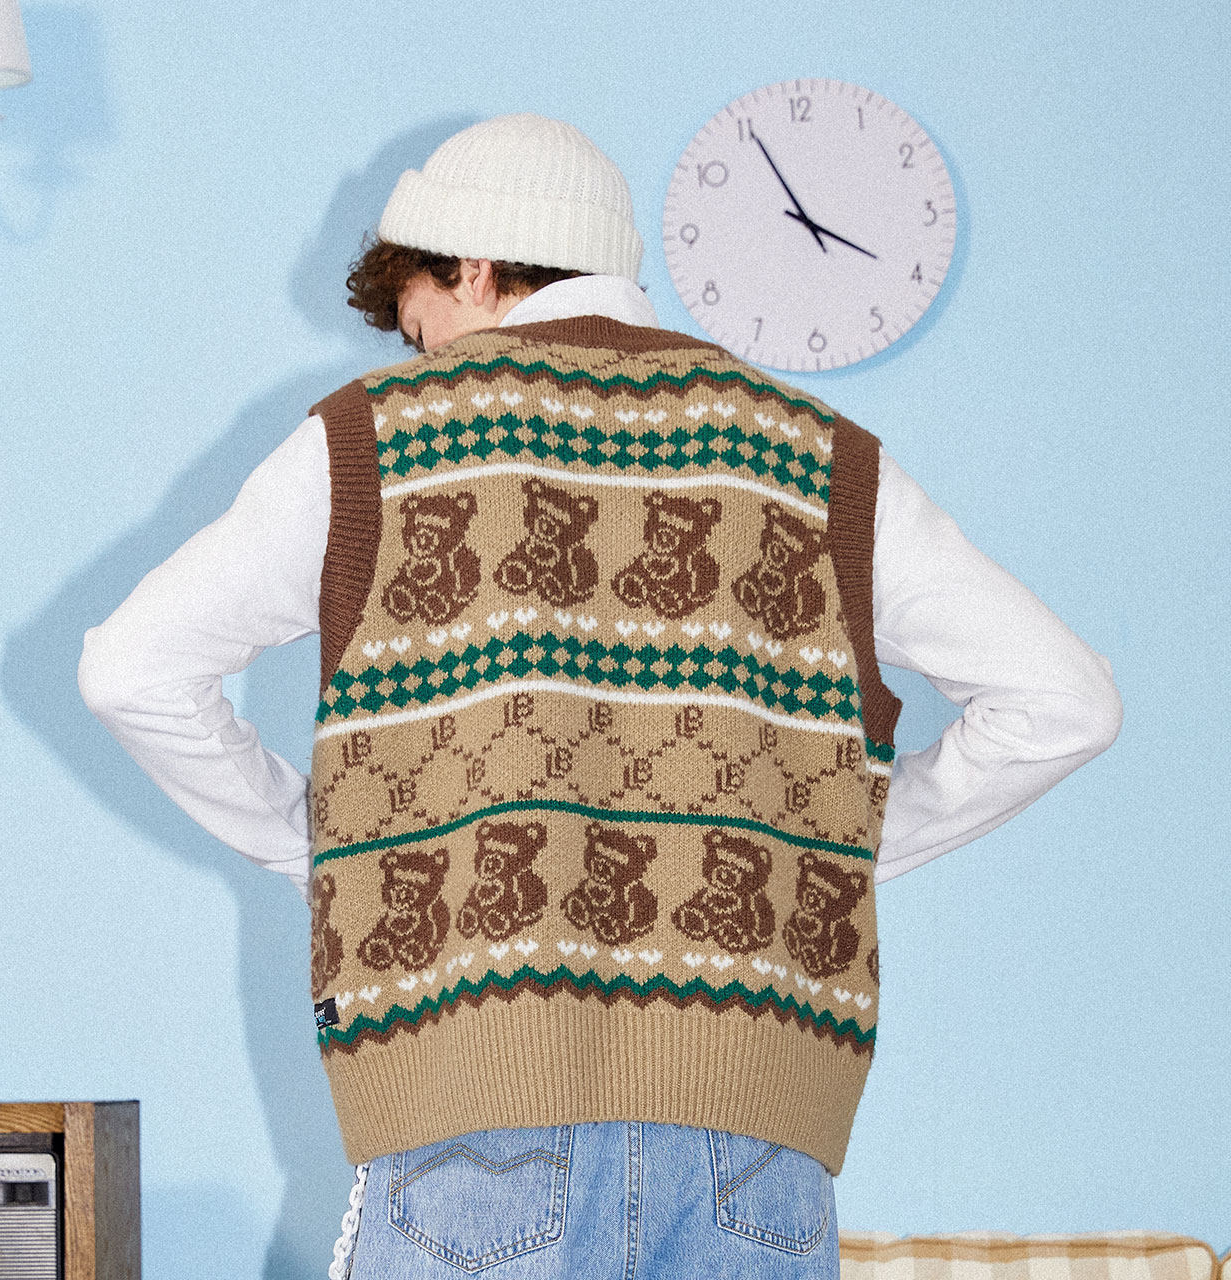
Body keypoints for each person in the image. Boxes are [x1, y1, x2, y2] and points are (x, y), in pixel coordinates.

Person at [78, 113, 1122, 1279]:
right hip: (756, 1146)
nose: (426, 363)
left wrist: (320, 851)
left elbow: (129, 670)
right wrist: (826, 846)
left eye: (422, 327)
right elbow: (1065, 700)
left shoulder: (378, 438)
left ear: (474, 266)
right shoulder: (812, 454)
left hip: (475, 1122)